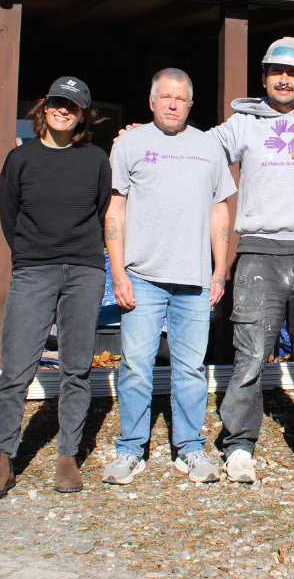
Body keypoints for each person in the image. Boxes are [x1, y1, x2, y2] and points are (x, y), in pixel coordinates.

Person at [212, 37, 294, 482]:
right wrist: (146, 135)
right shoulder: (241, 125)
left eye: (293, 74)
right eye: (276, 72)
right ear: (265, 77)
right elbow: (196, 152)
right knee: (250, 356)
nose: (284, 80)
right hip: (256, 254)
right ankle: (238, 445)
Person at [102, 67, 236, 485]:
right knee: (137, 367)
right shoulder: (129, 143)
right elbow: (115, 209)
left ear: (190, 105)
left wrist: (220, 271)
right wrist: (118, 272)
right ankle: (130, 449)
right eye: (166, 97)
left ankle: (190, 449)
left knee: (191, 369)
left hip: (195, 279)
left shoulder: (208, 146)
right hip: (141, 275)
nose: (174, 104)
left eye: (181, 98)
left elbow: (221, 211)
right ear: (152, 100)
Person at [0, 76, 111, 499]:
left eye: (71, 106)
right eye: (56, 102)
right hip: (34, 270)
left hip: (85, 271)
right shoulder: (21, 159)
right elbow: (8, 210)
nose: (62, 110)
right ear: (44, 107)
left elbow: (103, 210)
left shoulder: (96, 160)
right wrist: (27, 257)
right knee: (16, 367)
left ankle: (68, 456)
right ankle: (2, 459)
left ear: (83, 117)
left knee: (76, 367)